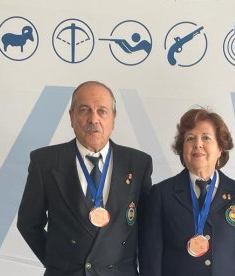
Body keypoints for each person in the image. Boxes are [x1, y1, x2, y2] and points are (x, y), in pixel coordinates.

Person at [17, 81, 153, 276]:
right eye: (84, 110)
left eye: (102, 111)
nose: (93, 119)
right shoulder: (44, 162)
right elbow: (28, 223)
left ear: (113, 119)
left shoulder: (138, 163)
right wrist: (58, 262)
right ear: (71, 117)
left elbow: (147, 228)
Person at [139, 108, 235, 276]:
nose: (198, 144)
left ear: (220, 149)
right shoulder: (161, 194)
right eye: (190, 138)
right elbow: (151, 257)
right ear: (182, 149)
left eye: (206, 138)